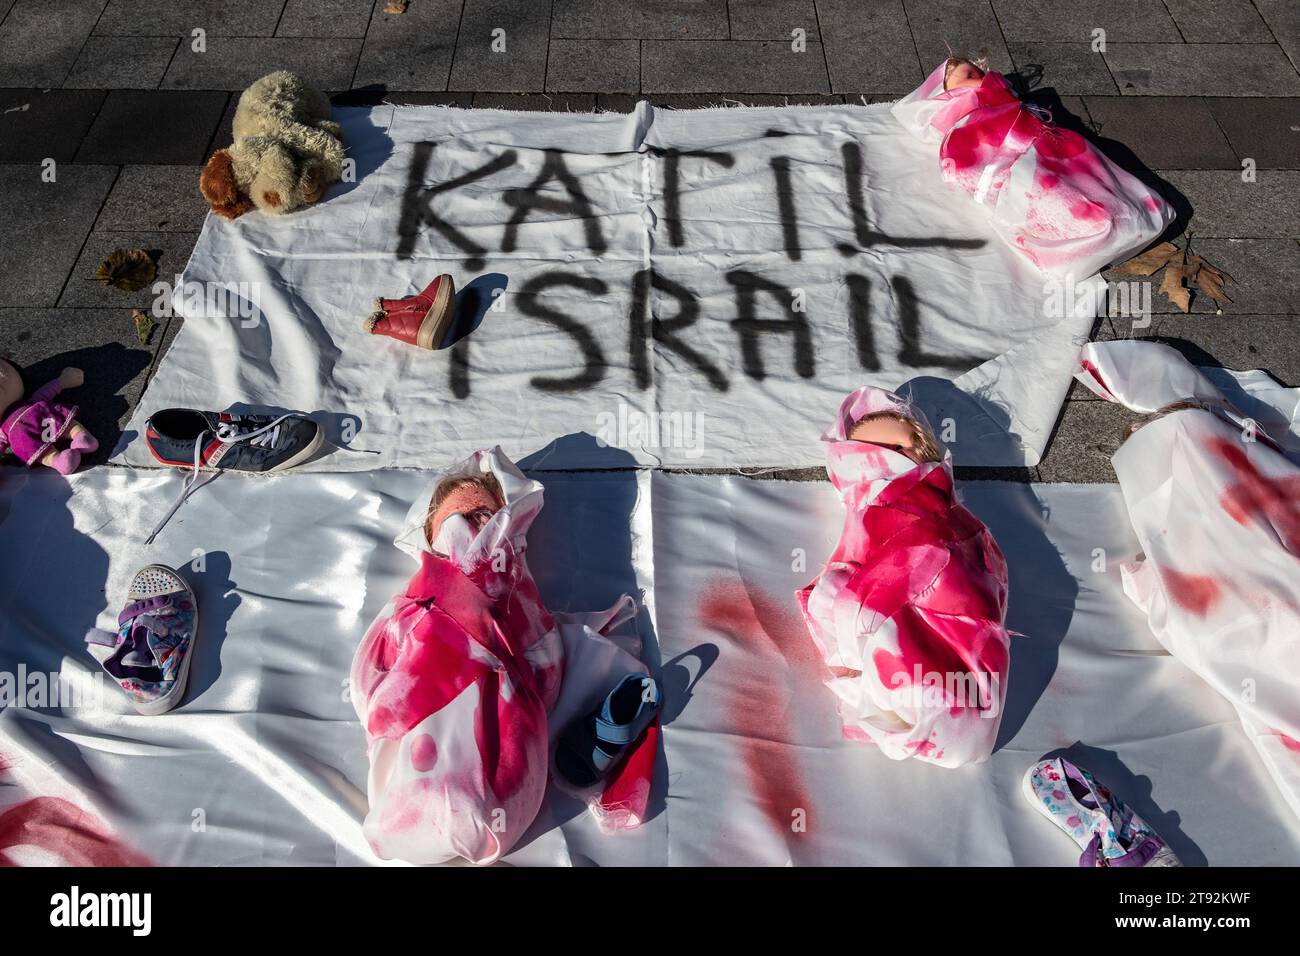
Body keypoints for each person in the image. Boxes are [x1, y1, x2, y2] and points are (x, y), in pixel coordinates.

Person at [349, 448, 654, 865]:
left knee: (474, 786)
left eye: (483, 515)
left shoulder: (517, 593)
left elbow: (543, 660)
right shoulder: (414, 598)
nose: (471, 524)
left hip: (498, 774)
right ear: (431, 529)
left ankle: (452, 799)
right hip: (434, 735)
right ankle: (435, 796)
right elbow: (371, 674)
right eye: (458, 517)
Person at [796, 387, 1012, 767]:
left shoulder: (941, 511)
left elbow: (955, 557)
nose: (903, 455)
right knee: (856, 615)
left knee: (859, 615)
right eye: (878, 453)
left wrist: (848, 608)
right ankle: (925, 700)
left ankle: (932, 702)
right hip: (911, 625)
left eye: (907, 445)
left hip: (942, 606)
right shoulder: (871, 510)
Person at [892, 56, 1173, 278]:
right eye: (968, 76)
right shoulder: (960, 125)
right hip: (1017, 160)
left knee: (1089, 180)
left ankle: (1124, 217)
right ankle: (1093, 234)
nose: (980, 78)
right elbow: (966, 167)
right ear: (943, 95)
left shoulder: (999, 100)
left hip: (1046, 146)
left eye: (977, 72)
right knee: (1054, 197)